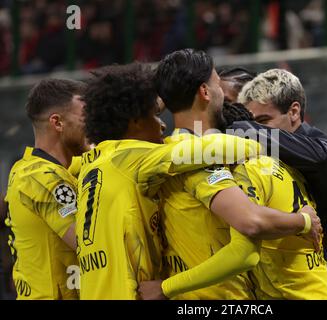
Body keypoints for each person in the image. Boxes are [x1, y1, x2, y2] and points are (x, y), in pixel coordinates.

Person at [77, 62, 314, 300]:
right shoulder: (134, 157)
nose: (162, 124)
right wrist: (256, 141)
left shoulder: (89, 165)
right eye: (153, 115)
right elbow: (214, 148)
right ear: (134, 122)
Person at [138, 49, 322, 300]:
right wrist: (304, 221)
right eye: (216, 84)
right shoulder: (202, 158)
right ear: (205, 92)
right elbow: (248, 234)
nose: (223, 93)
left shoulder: (164, 155)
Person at [230, 68, 327, 300]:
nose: (257, 129)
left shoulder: (323, 151)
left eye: (264, 121)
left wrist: (234, 126)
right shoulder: (271, 157)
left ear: (294, 112)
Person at [4, 78, 88, 299]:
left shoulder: (27, 168)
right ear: (57, 123)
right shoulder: (43, 178)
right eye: (85, 118)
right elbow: (88, 243)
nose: (92, 126)